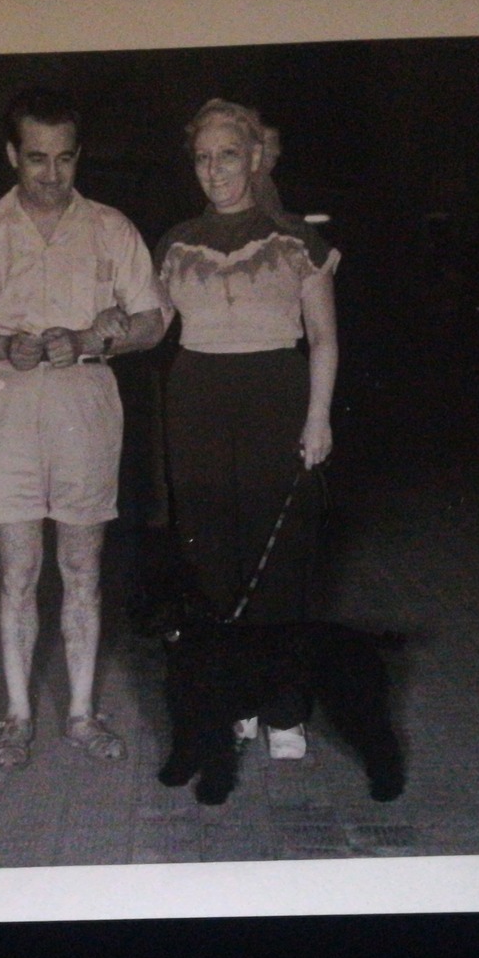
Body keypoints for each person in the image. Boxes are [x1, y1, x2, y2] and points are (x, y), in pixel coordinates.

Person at [0, 87, 168, 770]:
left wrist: (97, 342)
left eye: (65, 159)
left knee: (82, 569)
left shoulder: (111, 227)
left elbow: (151, 320)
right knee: (16, 572)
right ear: (12, 154)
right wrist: (0, 345)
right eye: (36, 159)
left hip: (85, 417)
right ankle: (15, 715)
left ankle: (80, 713)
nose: (52, 175)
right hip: (4, 419)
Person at [155, 99, 339, 761]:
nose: (214, 170)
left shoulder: (295, 242)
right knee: (211, 558)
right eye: (202, 158)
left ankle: (284, 708)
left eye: (227, 155)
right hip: (197, 397)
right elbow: (152, 324)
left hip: (276, 395)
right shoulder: (175, 242)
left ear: (256, 158)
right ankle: (234, 702)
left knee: (281, 556)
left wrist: (318, 418)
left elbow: (322, 336)